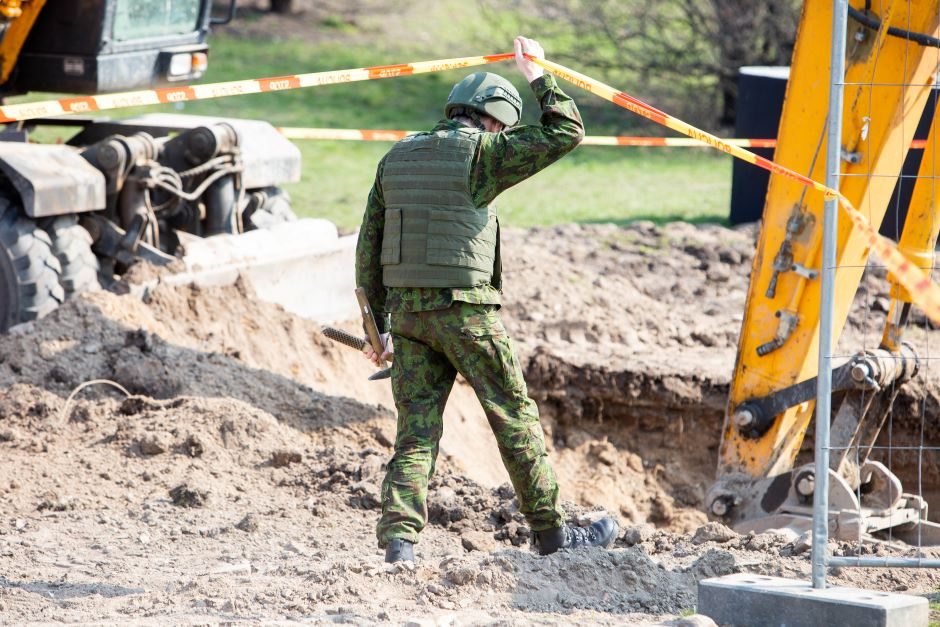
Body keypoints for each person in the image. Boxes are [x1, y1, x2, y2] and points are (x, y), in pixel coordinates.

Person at [355, 36, 619, 563]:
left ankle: (399, 544)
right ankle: (552, 534)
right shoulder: (485, 154)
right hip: (466, 311)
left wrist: (376, 330)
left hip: (408, 317)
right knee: (512, 416)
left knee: (415, 435)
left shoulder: (395, 158)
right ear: (496, 120)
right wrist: (539, 74)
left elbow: (368, 250)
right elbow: (567, 129)